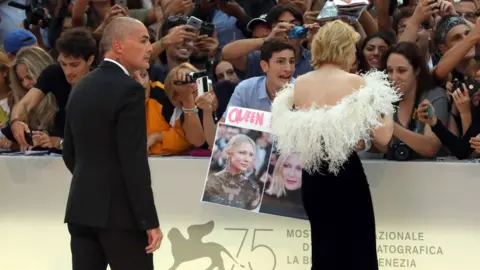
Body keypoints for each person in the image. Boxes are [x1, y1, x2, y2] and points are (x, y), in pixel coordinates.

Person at [270, 20, 400, 270]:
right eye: (352, 47)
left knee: (324, 251)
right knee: (358, 253)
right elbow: (383, 137)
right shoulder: (356, 83)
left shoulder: (300, 84)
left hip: (313, 178)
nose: (354, 54)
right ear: (344, 48)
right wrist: (387, 108)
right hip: (346, 177)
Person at [62, 17, 162, 270]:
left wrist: (94, 183)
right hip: (121, 218)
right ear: (118, 46)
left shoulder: (81, 85)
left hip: (80, 210)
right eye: (143, 40)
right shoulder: (129, 90)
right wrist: (148, 220)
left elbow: (69, 152)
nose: (150, 47)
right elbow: (134, 163)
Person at [202, 133, 262, 211]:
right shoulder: (210, 181)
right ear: (229, 153)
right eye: (242, 153)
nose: (247, 159)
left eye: (251, 155)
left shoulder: (253, 189)